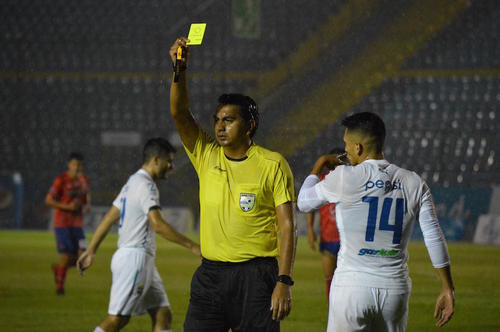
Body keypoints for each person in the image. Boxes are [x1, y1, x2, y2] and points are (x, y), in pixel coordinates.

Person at [169, 37, 297, 331]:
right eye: (217, 120)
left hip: (257, 277)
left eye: (229, 120)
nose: (219, 126)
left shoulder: (272, 163)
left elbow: (288, 226)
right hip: (210, 275)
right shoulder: (205, 153)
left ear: (249, 125)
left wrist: (284, 281)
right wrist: (179, 69)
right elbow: (179, 113)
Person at [297, 112, 455, 331]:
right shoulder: (414, 182)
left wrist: (320, 164)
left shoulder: (343, 176)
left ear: (358, 147)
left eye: (347, 145)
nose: (345, 150)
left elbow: (303, 202)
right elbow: (433, 236)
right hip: (394, 290)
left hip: (351, 288)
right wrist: (448, 288)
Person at [77, 138, 201, 332]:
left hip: (137, 258)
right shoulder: (146, 186)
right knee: (117, 320)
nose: (171, 166)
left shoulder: (132, 182)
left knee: (162, 313)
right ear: (156, 159)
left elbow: (109, 217)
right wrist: (193, 246)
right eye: (169, 161)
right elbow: (157, 224)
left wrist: (91, 251)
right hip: (135, 259)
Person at [45, 152, 91, 295]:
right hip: (62, 224)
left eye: (79, 165)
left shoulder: (83, 179)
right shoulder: (61, 180)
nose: (77, 167)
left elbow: (86, 193)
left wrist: (88, 204)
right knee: (66, 257)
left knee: (86, 259)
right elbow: (48, 200)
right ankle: (60, 287)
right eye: (74, 164)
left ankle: (59, 268)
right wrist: (68, 207)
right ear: (69, 165)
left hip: (78, 225)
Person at [305, 148, 345, 303]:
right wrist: (310, 230)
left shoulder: (350, 180)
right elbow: (310, 205)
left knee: (343, 280)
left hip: (346, 240)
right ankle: (333, 311)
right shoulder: (322, 181)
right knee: (330, 278)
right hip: (328, 238)